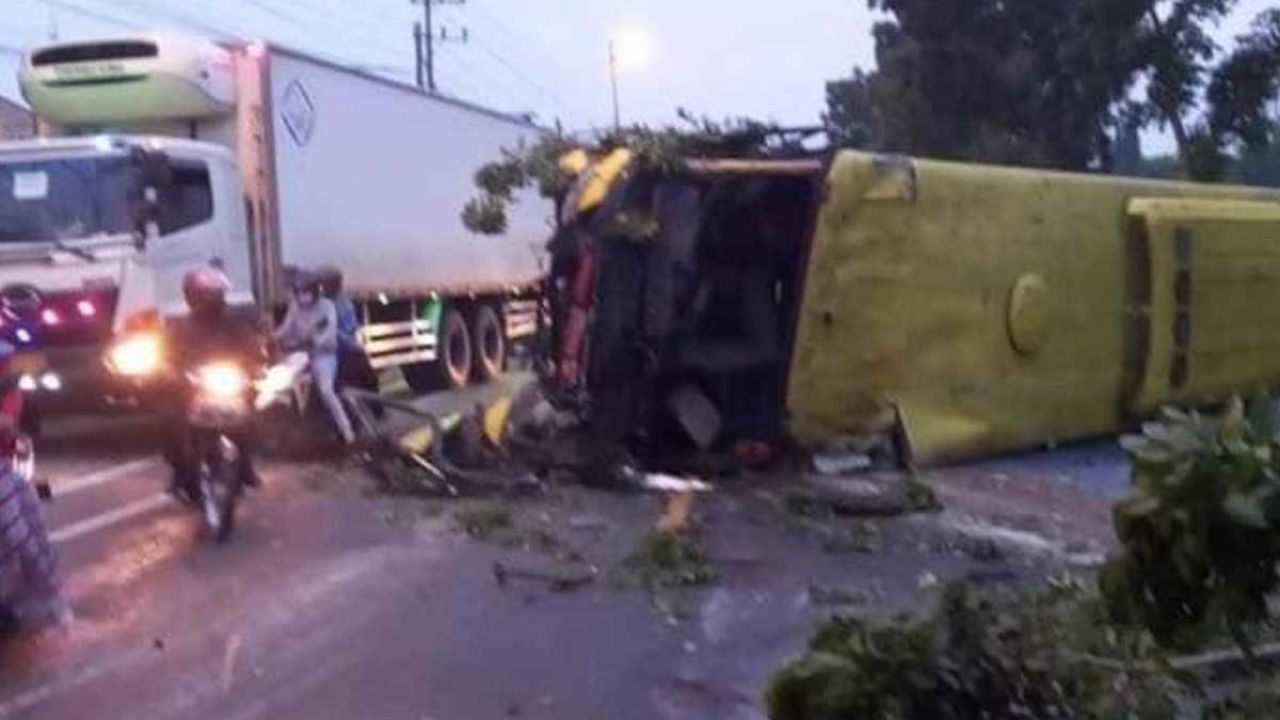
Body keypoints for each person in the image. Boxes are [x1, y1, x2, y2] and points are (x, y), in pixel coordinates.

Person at [164, 268, 265, 494]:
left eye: (217, 294)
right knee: (171, 418)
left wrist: (256, 366)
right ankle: (180, 471)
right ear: (193, 297)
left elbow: (250, 345)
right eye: (209, 294)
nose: (215, 299)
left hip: (228, 384)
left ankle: (246, 464)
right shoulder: (181, 328)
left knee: (250, 413)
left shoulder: (233, 322)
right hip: (194, 387)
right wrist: (171, 372)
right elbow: (168, 355)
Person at [0, 341, 70, 630]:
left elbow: (8, 425)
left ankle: (45, 596)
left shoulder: (9, 379)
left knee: (19, 532)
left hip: (4, 465)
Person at [275, 273, 356, 444]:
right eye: (299, 293)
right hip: (300, 355)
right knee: (279, 385)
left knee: (326, 390)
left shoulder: (327, 307)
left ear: (314, 292)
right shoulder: (295, 306)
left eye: (305, 292)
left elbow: (328, 332)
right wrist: (273, 337)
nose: (302, 297)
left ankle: (347, 432)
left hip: (323, 356)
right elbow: (287, 328)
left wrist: (314, 341)